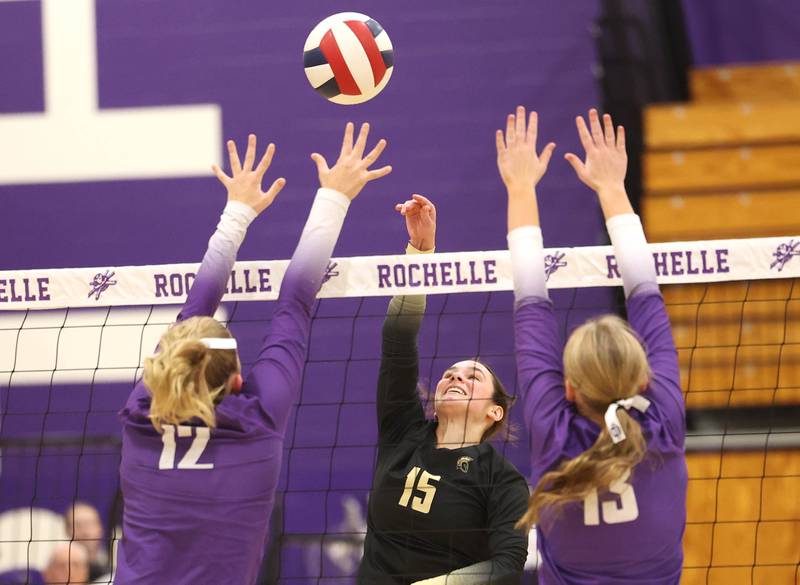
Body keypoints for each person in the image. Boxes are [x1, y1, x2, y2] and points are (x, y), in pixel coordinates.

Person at [115, 123, 392, 585]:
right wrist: (319, 198)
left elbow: (289, 302)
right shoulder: (250, 421)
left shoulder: (143, 415)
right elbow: (292, 302)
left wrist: (249, 210)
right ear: (239, 380)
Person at [498, 106, 686, 584]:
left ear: (568, 389)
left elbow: (533, 303)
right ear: (644, 380)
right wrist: (613, 189)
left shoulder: (556, 429)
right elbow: (535, 301)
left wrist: (520, 188)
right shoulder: (659, 418)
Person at [357, 194, 530, 585]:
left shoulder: (501, 480)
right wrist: (420, 253)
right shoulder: (403, 430)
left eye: (473, 377)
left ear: (494, 412)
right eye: (450, 373)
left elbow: (508, 566)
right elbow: (398, 338)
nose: (455, 378)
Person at [64, 502, 108, 581]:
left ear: (100, 528)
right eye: (77, 525)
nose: (85, 532)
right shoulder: (59, 569)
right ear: (67, 530)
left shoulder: (115, 569)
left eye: (89, 524)